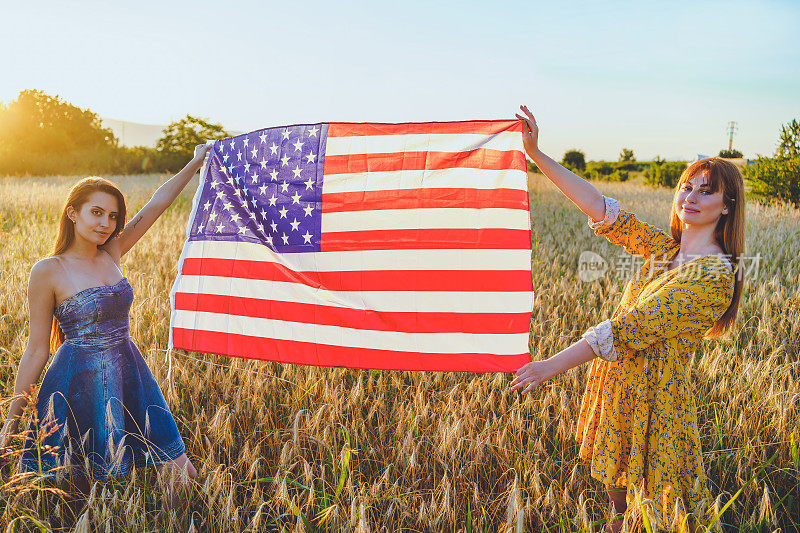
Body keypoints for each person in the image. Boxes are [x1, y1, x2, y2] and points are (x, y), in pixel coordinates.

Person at [510, 106, 744, 532]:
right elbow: (601, 208)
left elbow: (629, 328)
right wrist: (537, 156)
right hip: (621, 383)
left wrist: (550, 366)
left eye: (706, 192)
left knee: (661, 511)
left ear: (727, 207)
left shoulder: (714, 274)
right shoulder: (666, 252)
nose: (690, 198)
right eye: (686, 187)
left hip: (657, 397)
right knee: (618, 503)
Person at [0, 144, 211, 507]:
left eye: (112, 216)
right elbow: (37, 348)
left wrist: (195, 162)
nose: (105, 223)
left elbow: (156, 207)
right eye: (96, 213)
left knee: (182, 474)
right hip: (74, 381)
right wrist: (12, 418)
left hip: (129, 369)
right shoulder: (48, 270)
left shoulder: (112, 251)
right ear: (72, 213)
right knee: (73, 488)